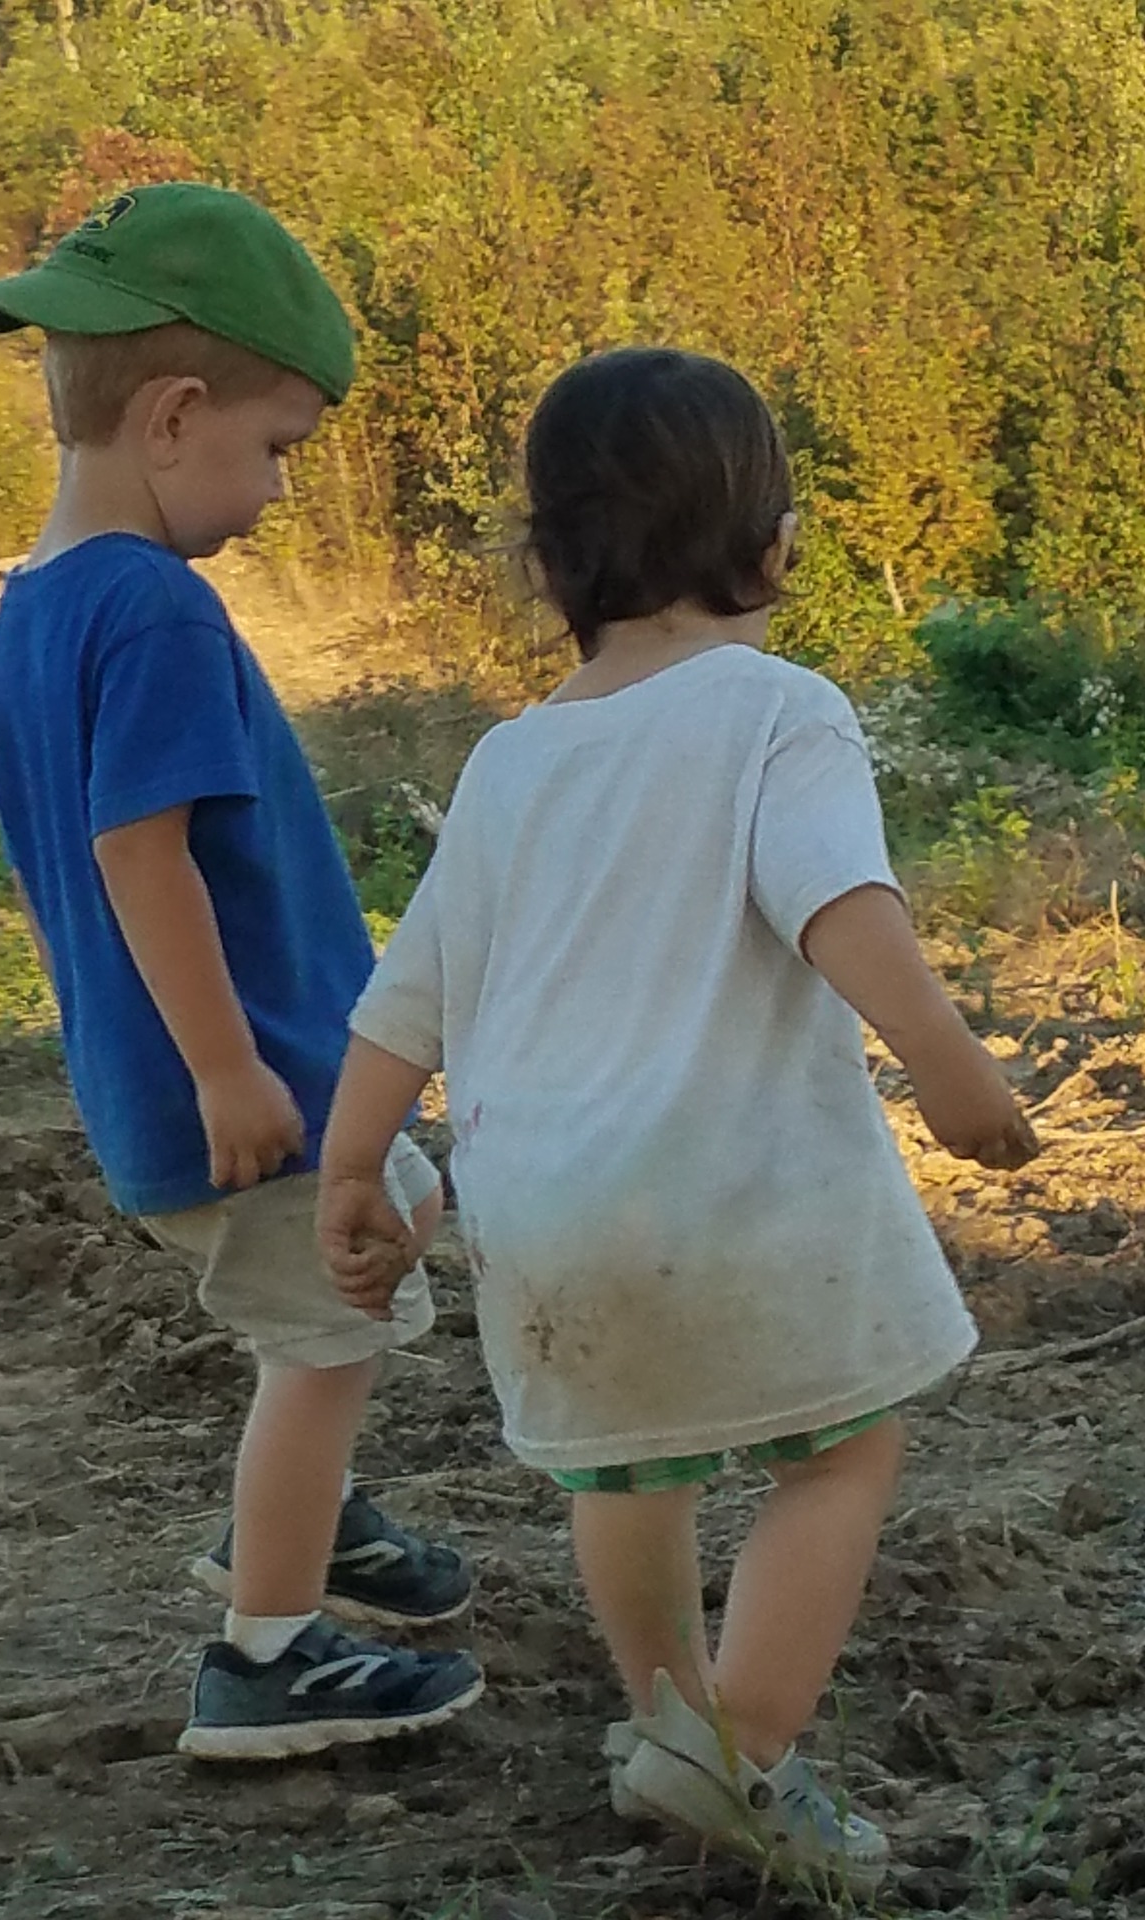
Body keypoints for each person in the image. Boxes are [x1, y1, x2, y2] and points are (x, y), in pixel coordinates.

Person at [315, 347, 1038, 1888]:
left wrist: (351, 1170)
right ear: (771, 543)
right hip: (739, 1192)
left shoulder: (511, 761)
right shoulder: (778, 710)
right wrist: (953, 1069)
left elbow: (408, 998)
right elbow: (839, 903)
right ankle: (741, 1751)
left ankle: (668, 1714)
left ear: (549, 563)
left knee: (626, 1470)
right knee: (840, 1454)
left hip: (544, 1215)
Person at [0, 182, 482, 1761]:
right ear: (176, 414)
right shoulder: (158, 607)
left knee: (404, 1218)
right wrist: (233, 1066)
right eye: (279, 450)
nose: (280, 491)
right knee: (325, 1341)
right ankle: (269, 1650)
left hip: (171, 1079)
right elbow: (137, 854)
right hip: (248, 1084)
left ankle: (304, 1521)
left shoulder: (35, 609)